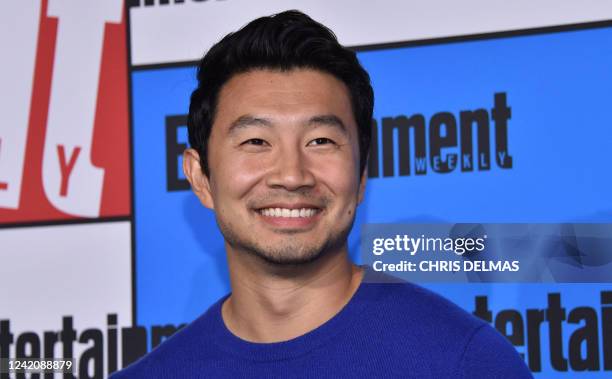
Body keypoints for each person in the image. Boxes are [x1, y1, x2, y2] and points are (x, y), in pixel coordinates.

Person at [112, 10, 532, 378]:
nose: (292, 175)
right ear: (200, 176)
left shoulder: (465, 362)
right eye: (256, 141)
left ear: (362, 172)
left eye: (321, 141)